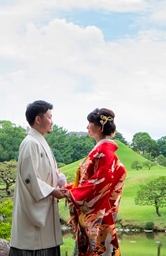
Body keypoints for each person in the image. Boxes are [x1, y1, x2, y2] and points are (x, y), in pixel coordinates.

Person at [65, 108, 127, 256]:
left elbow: (99, 183)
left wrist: (72, 193)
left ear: (99, 127)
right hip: (98, 213)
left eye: (90, 123)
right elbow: (87, 181)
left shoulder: (104, 152)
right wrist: (67, 188)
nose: (87, 127)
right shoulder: (101, 151)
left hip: (98, 217)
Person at [9, 100, 67, 256]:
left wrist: (55, 176)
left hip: (45, 212)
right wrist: (53, 191)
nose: (52, 121)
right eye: (49, 117)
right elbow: (30, 179)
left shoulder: (39, 141)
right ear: (38, 119)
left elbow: (39, 173)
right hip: (33, 223)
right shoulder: (30, 143)